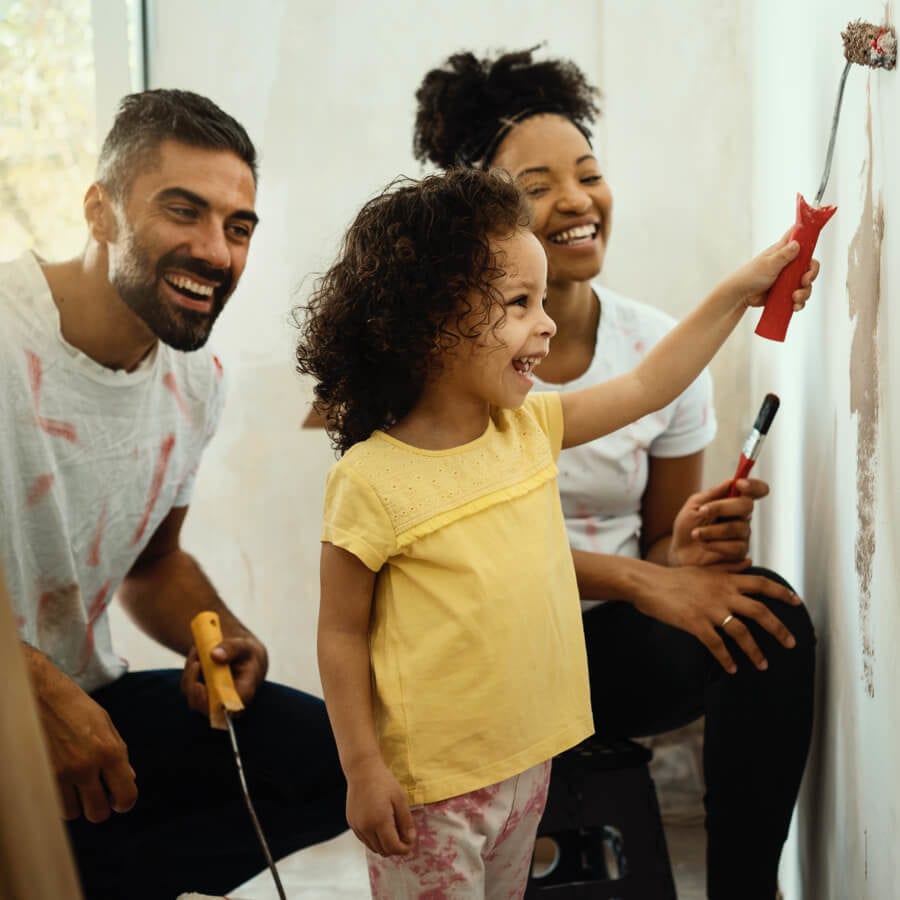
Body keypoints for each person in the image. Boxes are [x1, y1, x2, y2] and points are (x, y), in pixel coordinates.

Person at [293, 165, 816, 898]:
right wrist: (363, 768)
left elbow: (648, 385)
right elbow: (341, 633)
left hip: (526, 768)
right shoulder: (370, 480)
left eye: (542, 301)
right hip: (433, 792)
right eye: (519, 303)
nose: (545, 322)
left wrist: (740, 290)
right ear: (432, 320)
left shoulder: (528, 427)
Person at [413, 47, 818, 899]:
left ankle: (747, 889)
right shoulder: (449, 365)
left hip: (604, 655)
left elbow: (669, 551)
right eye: (537, 187)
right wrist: (647, 583)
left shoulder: (654, 350)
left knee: (768, 617)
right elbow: (469, 550)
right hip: (488, 655)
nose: (575, 201)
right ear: (481, 218)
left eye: (589, 175)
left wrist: (688, 551)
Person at [0, 89, 346, 900]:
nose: (216, 252)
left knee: (324, 762)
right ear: (100, 212)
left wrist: (224, 631)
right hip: (25, 699)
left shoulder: (195, 380)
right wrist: (25, 690)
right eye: (182, 212)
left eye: (238, 227)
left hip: (78, 701)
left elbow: (152, 564)